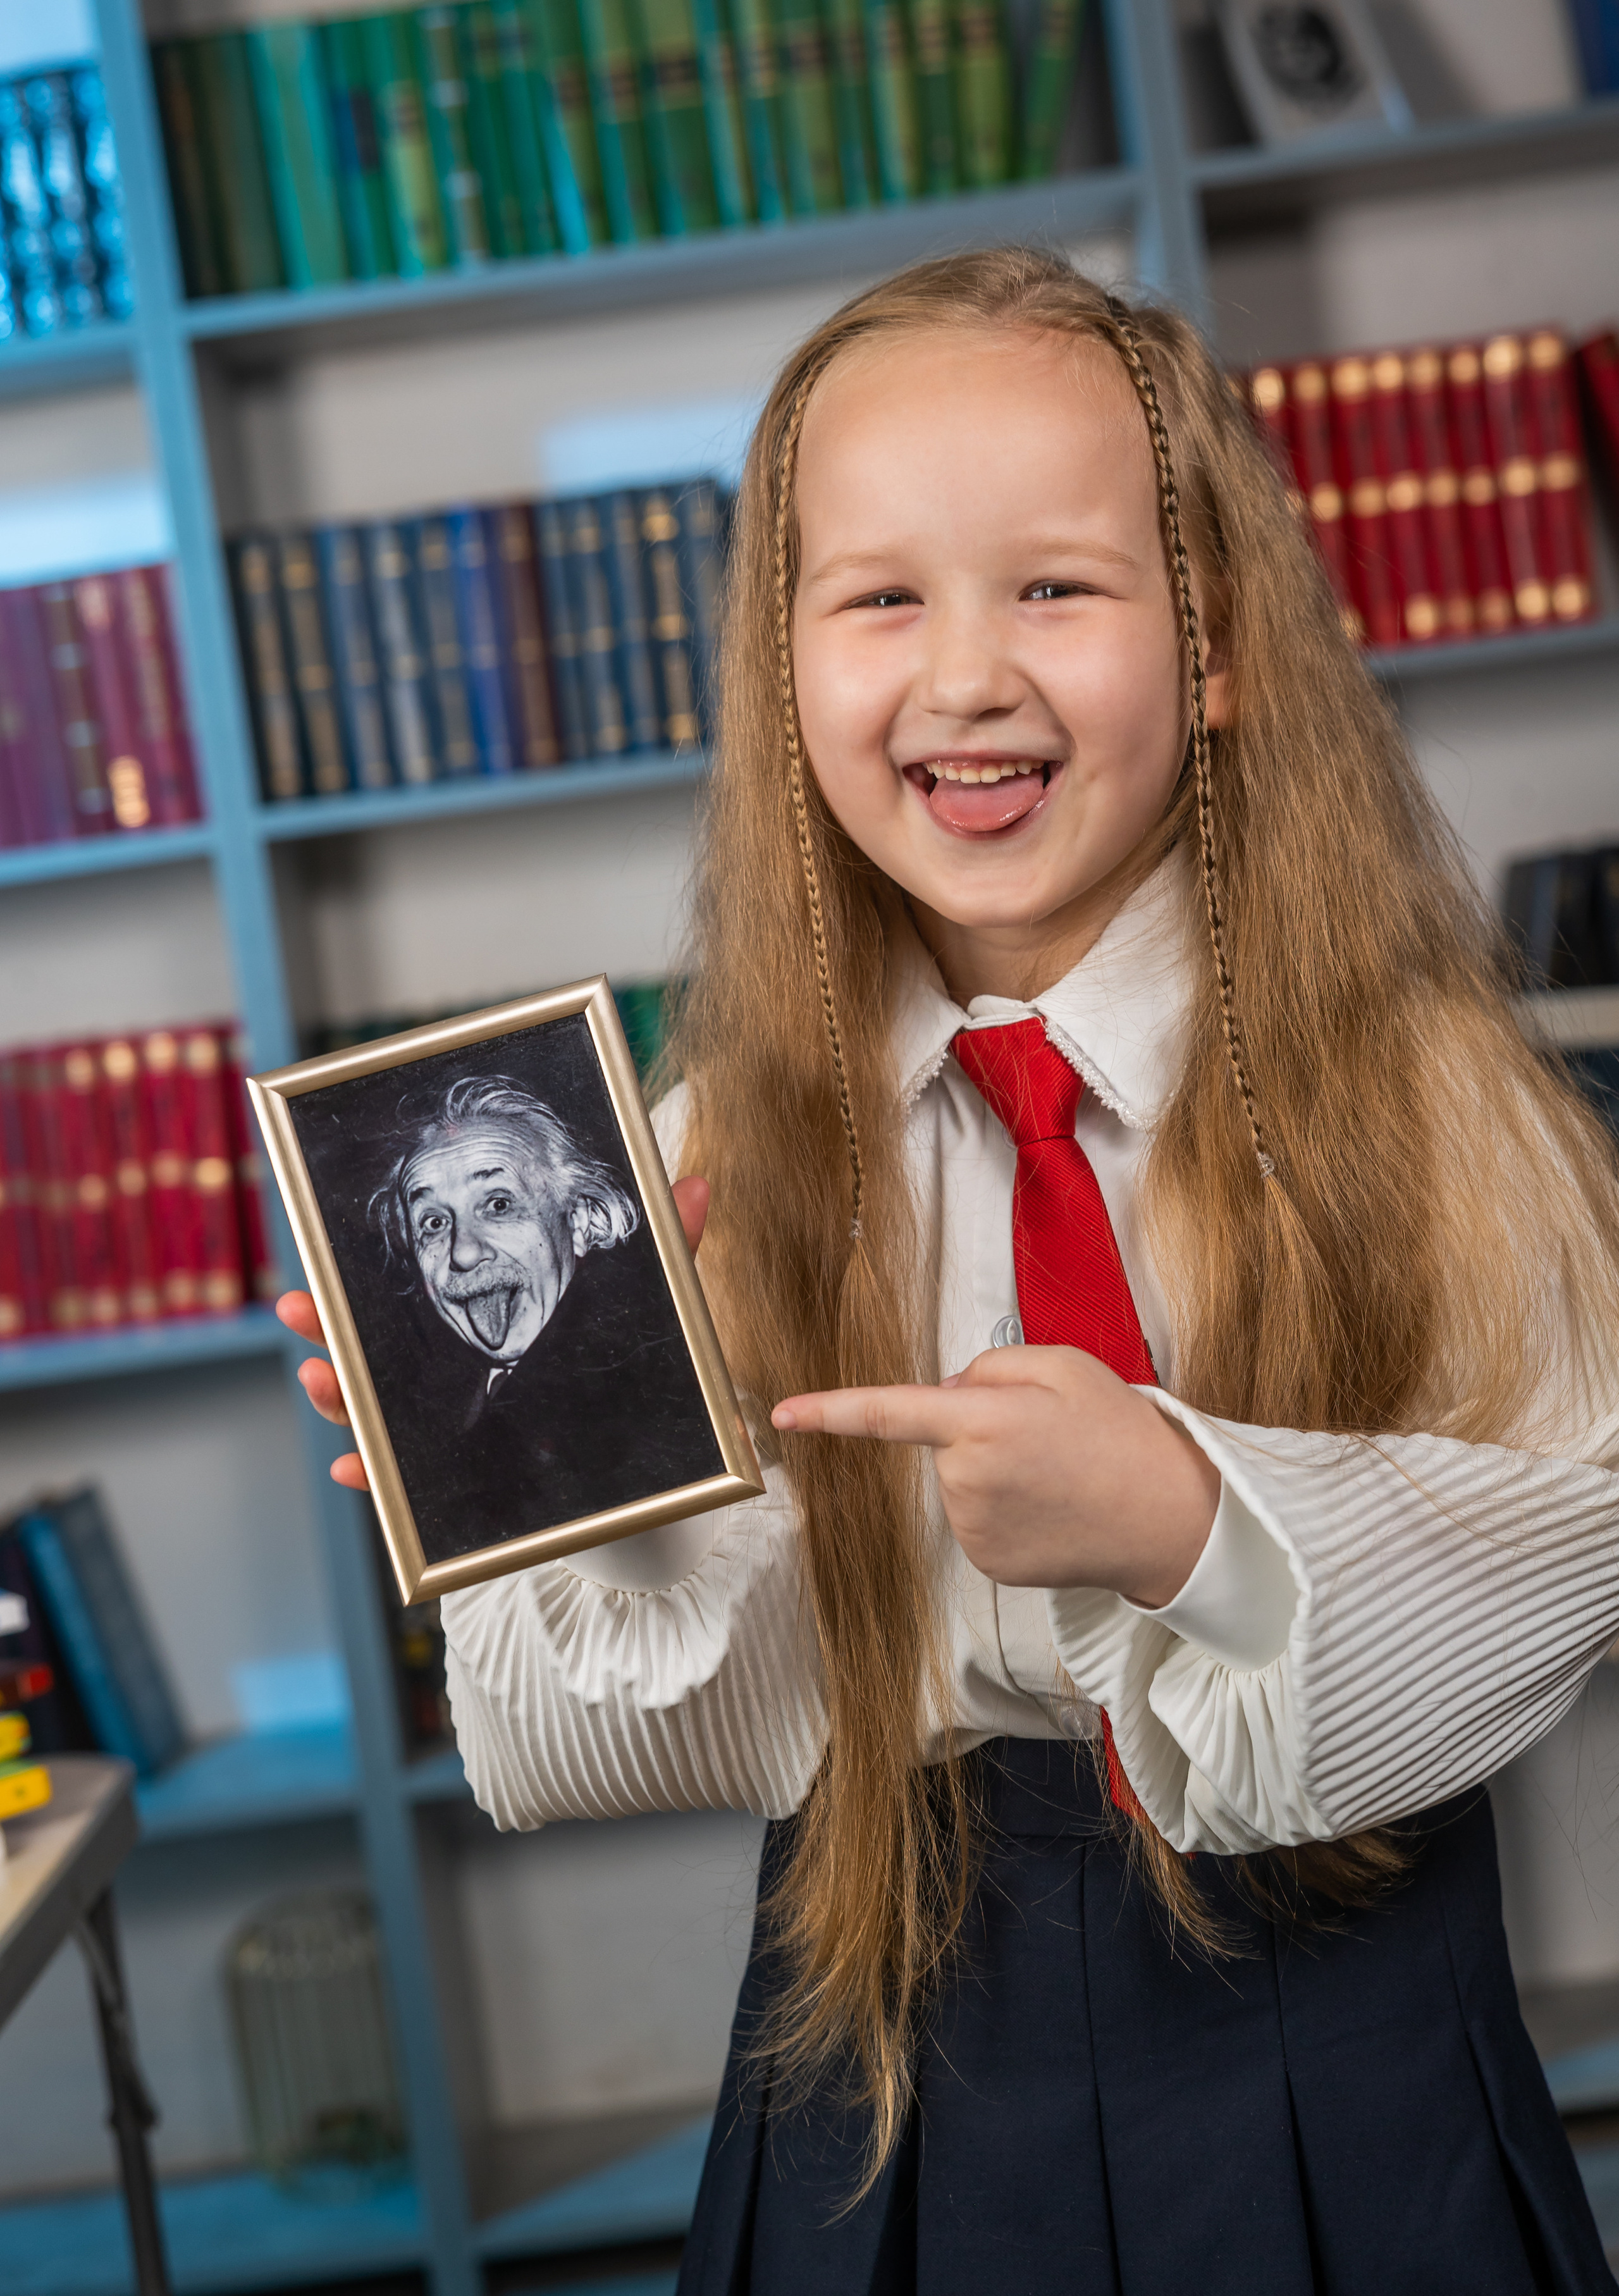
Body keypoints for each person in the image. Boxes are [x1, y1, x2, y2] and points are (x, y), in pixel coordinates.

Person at [278, 250, 1619, 2290]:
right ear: (781, 666)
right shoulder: (707, 1146)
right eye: (882, 596)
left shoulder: (1431, 1105)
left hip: (1343, 2053)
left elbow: (1579, 1537)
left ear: (1220, 643)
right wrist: (548, 1490)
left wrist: (1192, 1524)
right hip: (887, 2050)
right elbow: (628, 1741)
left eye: (1056, 589)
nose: (967, 675)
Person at [359, 1075, 719, 1562]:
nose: (463, 1253)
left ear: (582, 1221)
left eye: (499, 1204)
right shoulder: (429, 1435)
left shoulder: (659, 1399)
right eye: (434, 1224)